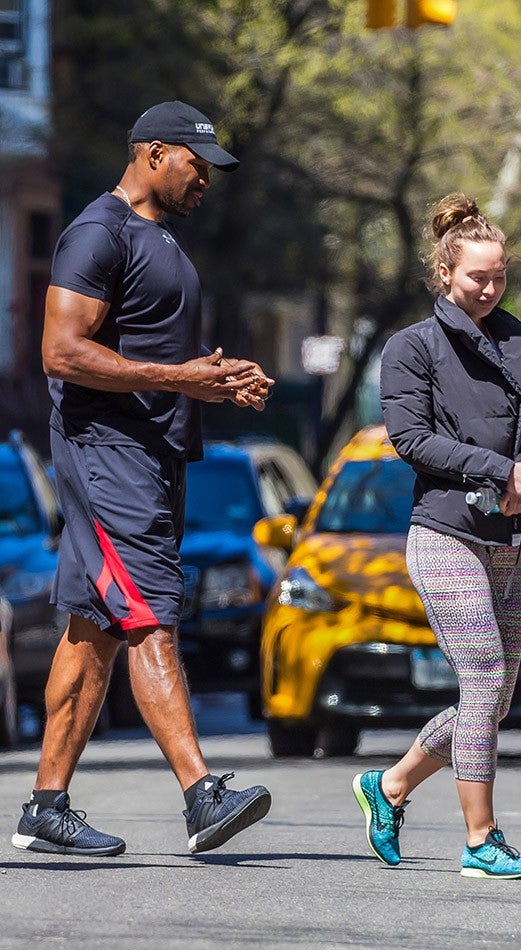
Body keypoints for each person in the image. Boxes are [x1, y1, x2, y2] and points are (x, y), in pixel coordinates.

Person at [11, 101, 275, 858]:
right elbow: (61, 351)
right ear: (154, 153)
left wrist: (215, 380)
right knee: (149, 613)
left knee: (94, 627)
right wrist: (179, 379)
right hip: (107, 454)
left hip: (148, 455)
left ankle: (45, 807)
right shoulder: (99, 231)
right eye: (198, 164)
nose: (207, 180)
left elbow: (160, 358)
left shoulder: (156, 238)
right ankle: (201, 794)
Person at [352, 192, 521, 879]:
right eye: (477, 277)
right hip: (443, 534)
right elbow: (410, 438)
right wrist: (500, 468)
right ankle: (480, 840)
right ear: (446, 273)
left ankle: (389, 787)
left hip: (505, 539)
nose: (490, 288)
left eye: (499, 276)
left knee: (491, 701)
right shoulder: (412, 348)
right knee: (483, 676)